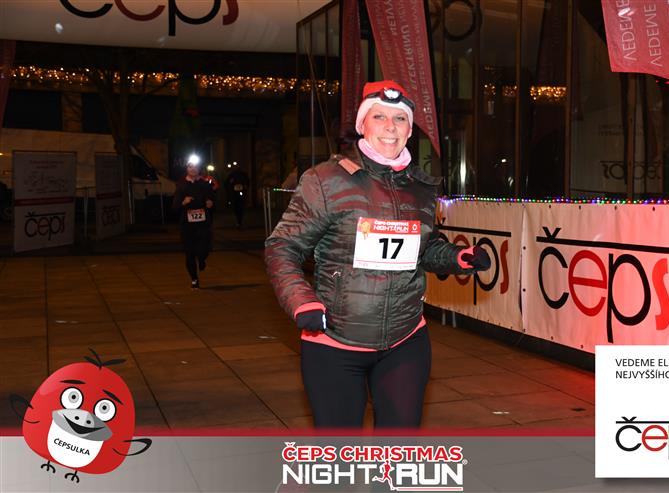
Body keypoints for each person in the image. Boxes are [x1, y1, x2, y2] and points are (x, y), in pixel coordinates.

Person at [264, 80, 491, 429]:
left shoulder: (422, 187)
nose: (390, 127)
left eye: (400, 119)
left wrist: (457, 258)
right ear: (362, 125)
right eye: (379, 117)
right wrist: (302, 302)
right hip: (335, 342)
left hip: (405, 340)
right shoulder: (325, 180)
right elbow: (282, 247)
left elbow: (423, 247)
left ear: (409, 130)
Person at [173, 158, 216, 289]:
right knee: (189, 252)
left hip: (203, 224)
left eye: (196, 167)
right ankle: (194, 279)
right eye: (190, 167)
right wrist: (183, 202)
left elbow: (213, 200)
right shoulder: (181, 185)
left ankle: (202, 259)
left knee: (203, 249)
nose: (193, 169)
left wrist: (210, 203)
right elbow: (174, 207)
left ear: (199, 169)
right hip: (187, 224)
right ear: (187, 169)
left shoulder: (205, 184)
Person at [225, 163, 249, 228]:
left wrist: (245, 187)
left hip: (241, 193)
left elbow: (247, 182)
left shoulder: (243, 174)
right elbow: (227, 183)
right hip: (234, 194)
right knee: (236, 207)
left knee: (240, 207)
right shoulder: (231, 175)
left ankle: (240, 221)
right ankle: (238, 221)